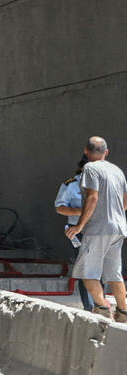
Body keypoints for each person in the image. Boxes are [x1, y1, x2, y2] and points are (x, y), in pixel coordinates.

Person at [65, 137, 127, 321]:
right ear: (106, 152)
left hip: (99, 229)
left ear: (86, 151)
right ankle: (123, 312)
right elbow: (125, 201)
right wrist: (114, 214)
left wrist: (80, 226)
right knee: (114, 273)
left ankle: (101, 308)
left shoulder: (90, 168)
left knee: (87, 271)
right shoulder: (117, 170)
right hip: (119, 228)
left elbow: (92, 197)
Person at [54, 156, 95, 310]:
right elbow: (59, 207)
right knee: (85, 270)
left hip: (99, 231)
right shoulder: (71, 185)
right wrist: (81, 212)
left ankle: (100, 304)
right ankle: (89, 306)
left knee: (101, 270)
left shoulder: (104, 183)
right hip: (79, 231)